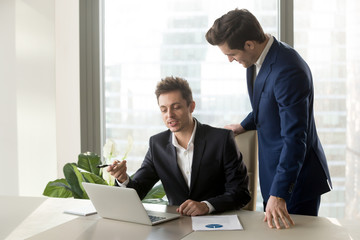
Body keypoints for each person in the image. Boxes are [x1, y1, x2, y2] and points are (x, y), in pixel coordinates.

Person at [206, 8, 332, 229]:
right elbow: (267, 105)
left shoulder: (288, 70)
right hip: (273, 174)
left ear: (249, 44)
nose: (229, 60)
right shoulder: (257, 60)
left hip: (296, 182)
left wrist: (280, 193)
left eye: (231, 54)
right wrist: (244, 125)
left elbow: (295, 138)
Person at [108, 76, 251, 216]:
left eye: (176, 107)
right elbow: (138, 190)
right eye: (164, 110)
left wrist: (206, 206)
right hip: (177, 226)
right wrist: (122, 178)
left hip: (217, 223)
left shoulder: (221, 139)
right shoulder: (157, 144)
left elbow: (241, 193)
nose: (170, 115)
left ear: (191, 106)